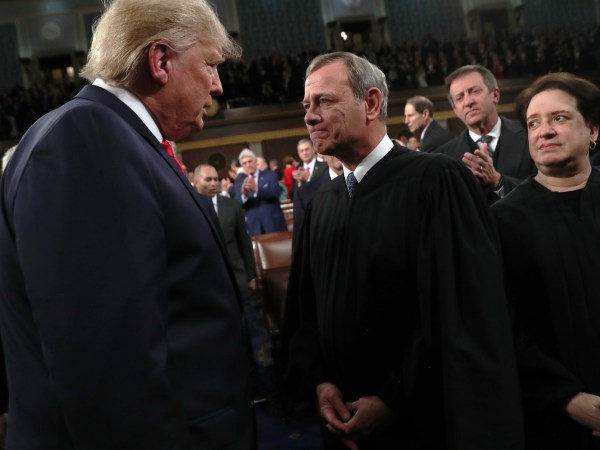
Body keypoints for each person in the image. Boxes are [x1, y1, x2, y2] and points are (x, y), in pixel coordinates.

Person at [0, 1, 256, 449]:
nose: (217, 84)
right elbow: (109, 372)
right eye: (211, 64)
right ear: (160, 61)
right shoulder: (86, 142)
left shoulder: (114, 137)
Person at [281, 51, 524, 450]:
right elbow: (306, 310)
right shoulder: (322, 203)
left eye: (324, 101)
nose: (309, 116)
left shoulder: (436, 181)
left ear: (372, 103)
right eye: (307, 105)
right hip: (341, 422)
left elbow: (463, 311)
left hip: (422, 423)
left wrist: (396, 399)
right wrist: (320, 382)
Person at [492, 72, 600, 450]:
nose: (545, 131)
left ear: (593, 131)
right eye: (534, 123)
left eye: (559, 118)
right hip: (555, 420)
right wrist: (567, 398)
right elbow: (502, 328)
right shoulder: (502, 221)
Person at [194, 164, 274, 397]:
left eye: (215, 179)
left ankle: (266, 390)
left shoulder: (232, 206)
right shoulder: (189, 208)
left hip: (240, 283)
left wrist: (251, 276)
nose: (212, 184)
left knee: (257, 340)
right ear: (196, 181)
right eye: (208, 180)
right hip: (210, 290)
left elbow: (244, 244)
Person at [435, 64, 536, 203]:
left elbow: (545, 190)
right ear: (455, 110)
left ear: (495, 95)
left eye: (474, 91)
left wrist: (498, 181)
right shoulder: (444, 157)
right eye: (459, 98)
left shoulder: (530, 134)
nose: (468, 102)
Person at [292, 154, 343, 247]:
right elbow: (302, 245)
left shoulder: (373, 182)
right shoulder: (304, 194)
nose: (339, 149)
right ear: (321, 153)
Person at [234, 148, 287, 236]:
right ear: (242, 166)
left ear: (256, 161)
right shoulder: (240, 182)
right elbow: (236, 203)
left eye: (250, 161)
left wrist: (256, 190)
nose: (247, 165)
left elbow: (276, 193)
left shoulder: (270, 175)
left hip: (272, 223)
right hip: (254, 226)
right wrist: (244, 195)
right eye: (244, 163)